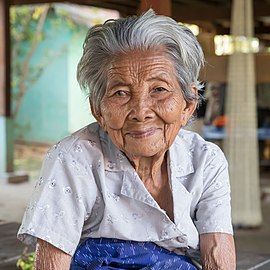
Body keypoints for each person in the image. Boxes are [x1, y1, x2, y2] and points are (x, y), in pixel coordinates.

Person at [17, 9, 236, 270]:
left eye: (159, 90)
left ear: (187, 105)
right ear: (98, 109)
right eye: (120, 93)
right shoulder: (74, 157)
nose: (141, 112)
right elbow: (52, 262)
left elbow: (217, 256)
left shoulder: (205, 160)